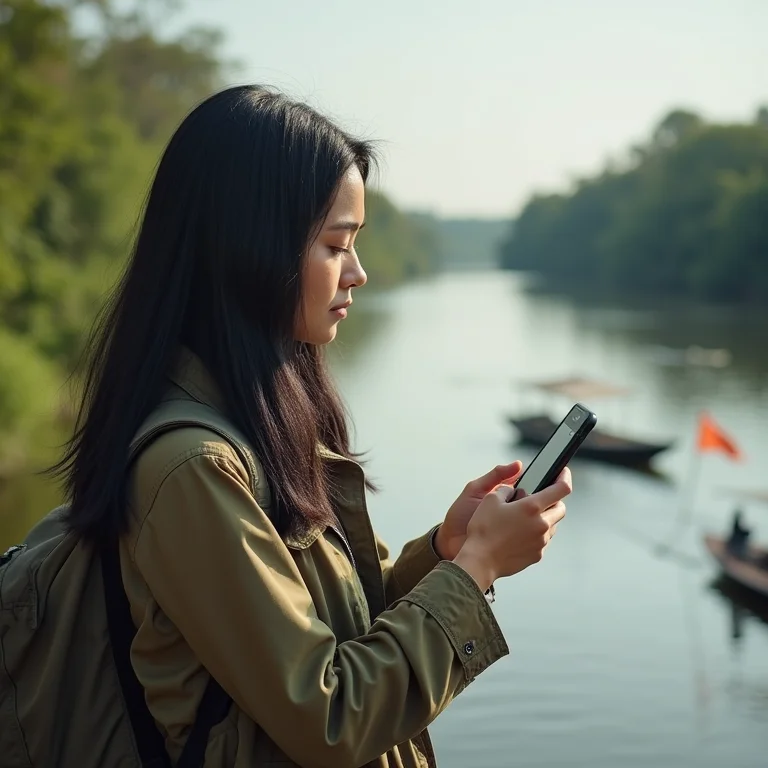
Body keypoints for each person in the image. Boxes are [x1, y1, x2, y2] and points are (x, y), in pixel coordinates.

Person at [51, 85, 571, 768]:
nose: (357, 273)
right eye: (336, 245)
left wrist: (445, 550)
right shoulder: (192, 468)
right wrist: (476, 570)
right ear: (250, 248)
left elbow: (335, 626)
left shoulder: (258, 421)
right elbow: (330, 716)